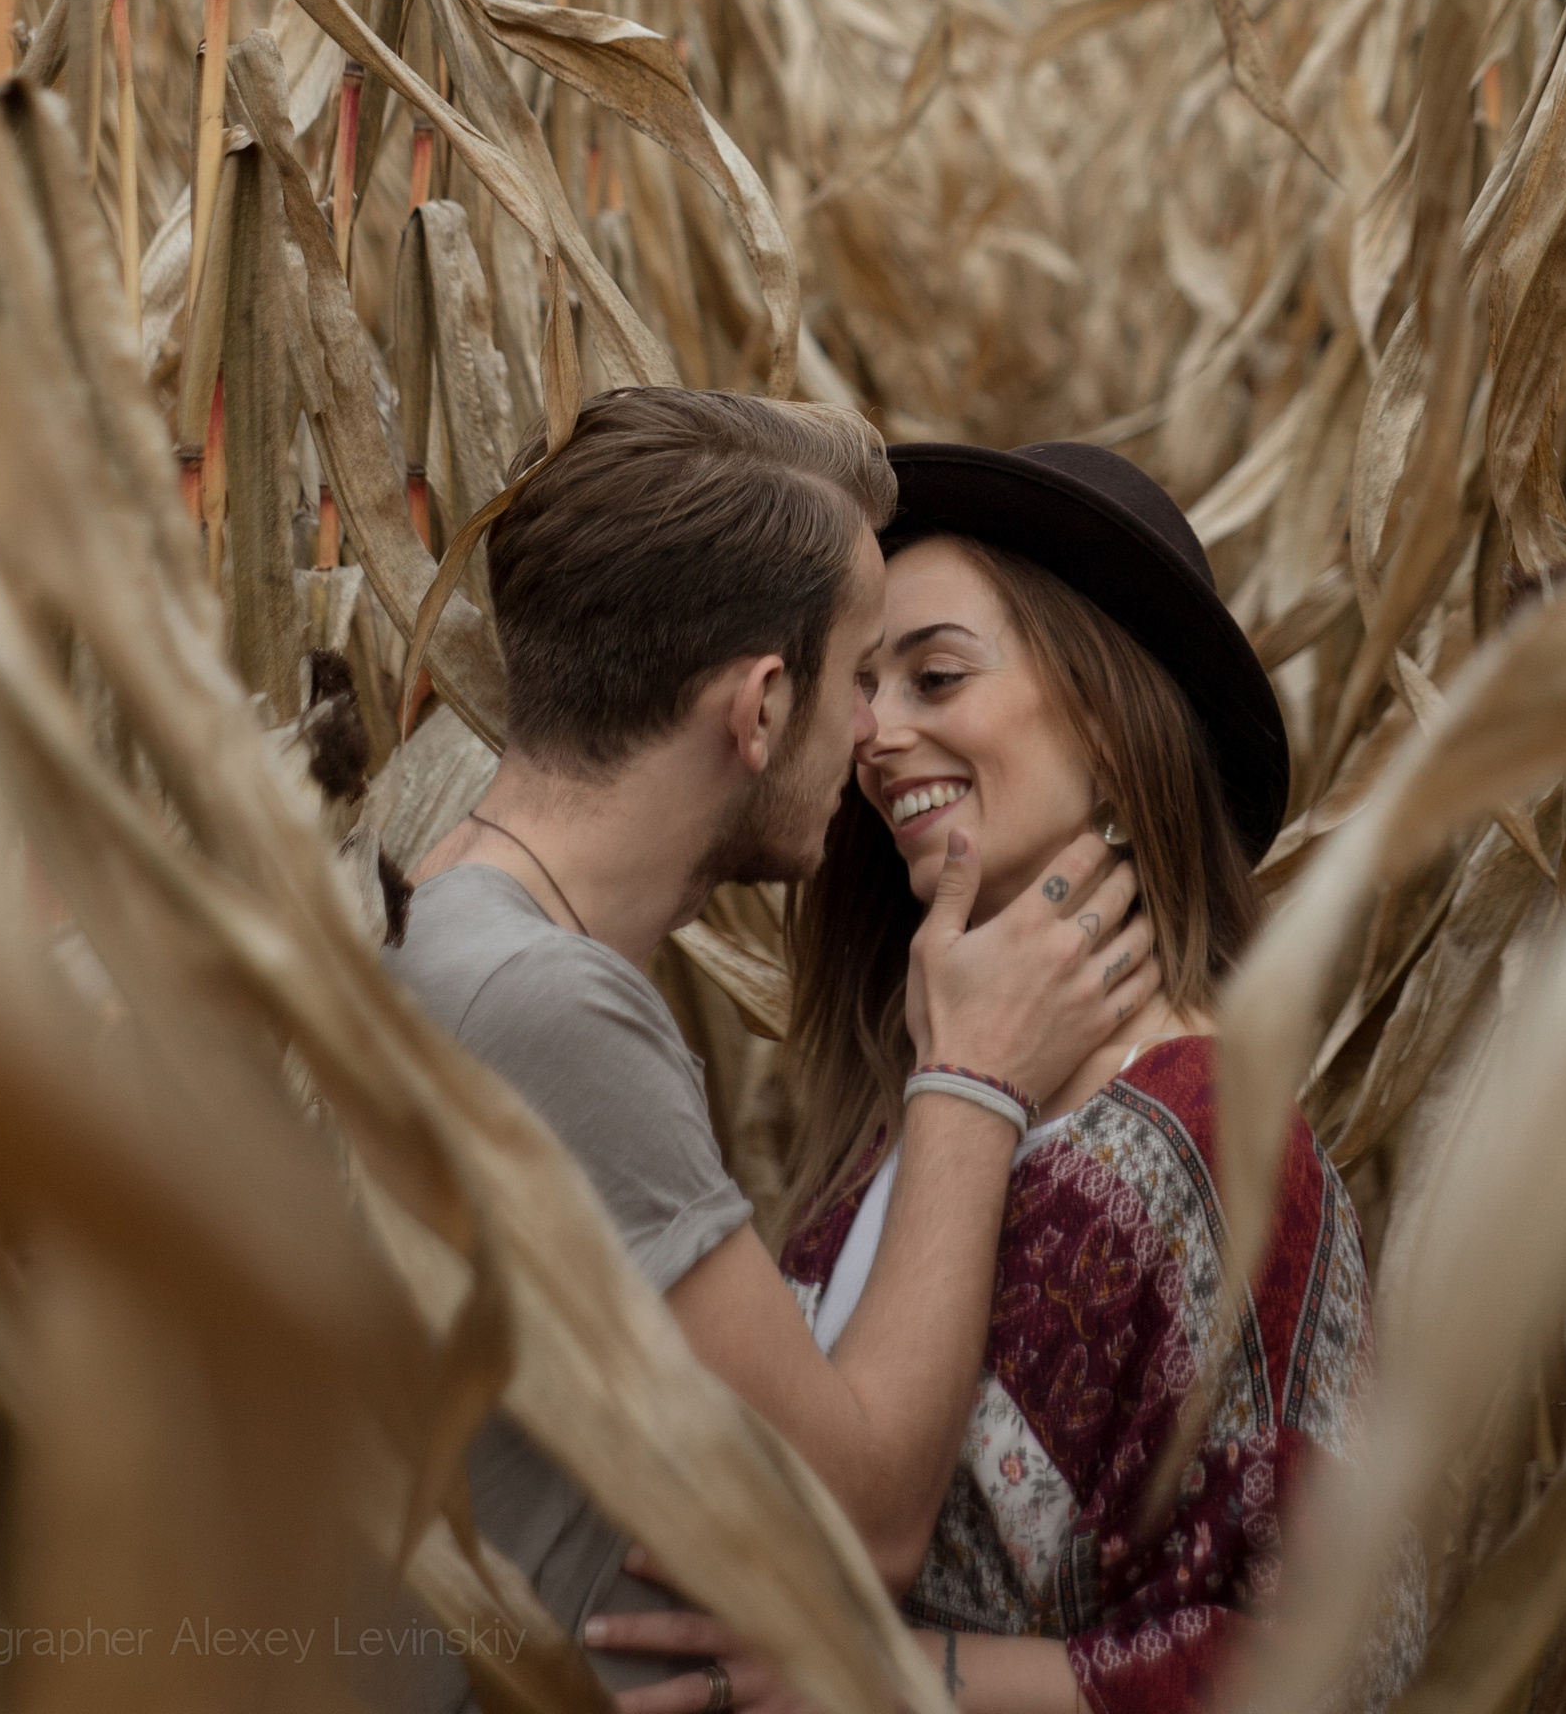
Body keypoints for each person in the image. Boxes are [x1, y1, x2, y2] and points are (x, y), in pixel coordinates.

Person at [587, 439, 1423, 1714]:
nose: (875, 732)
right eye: (864, 689)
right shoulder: (920, 1117)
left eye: (935, 675)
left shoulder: (1212, 1137)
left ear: (1107, 707)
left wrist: (901, 1674)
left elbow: (1341, 1656)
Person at [385, 390, 1160, 1714]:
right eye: (862, 680)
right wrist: (971, 1076)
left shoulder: (432, 915)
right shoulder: (540, 1003)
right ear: (758, 708)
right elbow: (852, 1525)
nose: (878, 738)